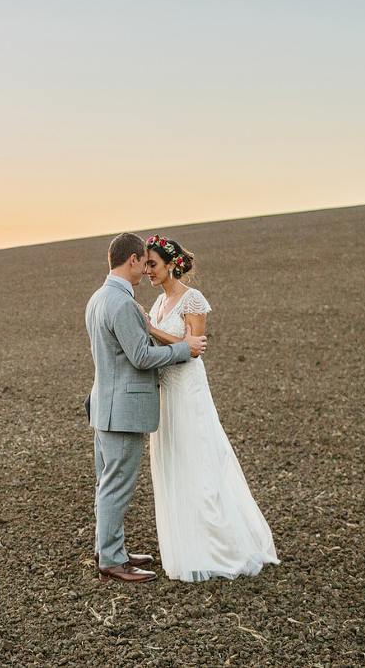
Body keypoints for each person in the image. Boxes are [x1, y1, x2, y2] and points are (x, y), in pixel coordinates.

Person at [142, 235, 278, 582]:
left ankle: (219, 547)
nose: (148, 272)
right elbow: (176, 343)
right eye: (145, 266)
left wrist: (152, 330)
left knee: (199, 461)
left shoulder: (193, 299)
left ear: (171, 264)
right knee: (173, 463)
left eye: (153, 264)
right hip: (166, 394)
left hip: (188, 392)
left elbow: (195, 349)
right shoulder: (158, 303)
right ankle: (186, 546)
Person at [85, 232, 207, 582]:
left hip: (105, 405)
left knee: (107, 483)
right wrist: (184, 349)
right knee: (116, 486)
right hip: (122, 411)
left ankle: (111, 548)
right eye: (144, 262)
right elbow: (139, 356)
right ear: (134, 260)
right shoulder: (122, 303)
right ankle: (111, 560)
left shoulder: (98, 297)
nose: (146, 270)